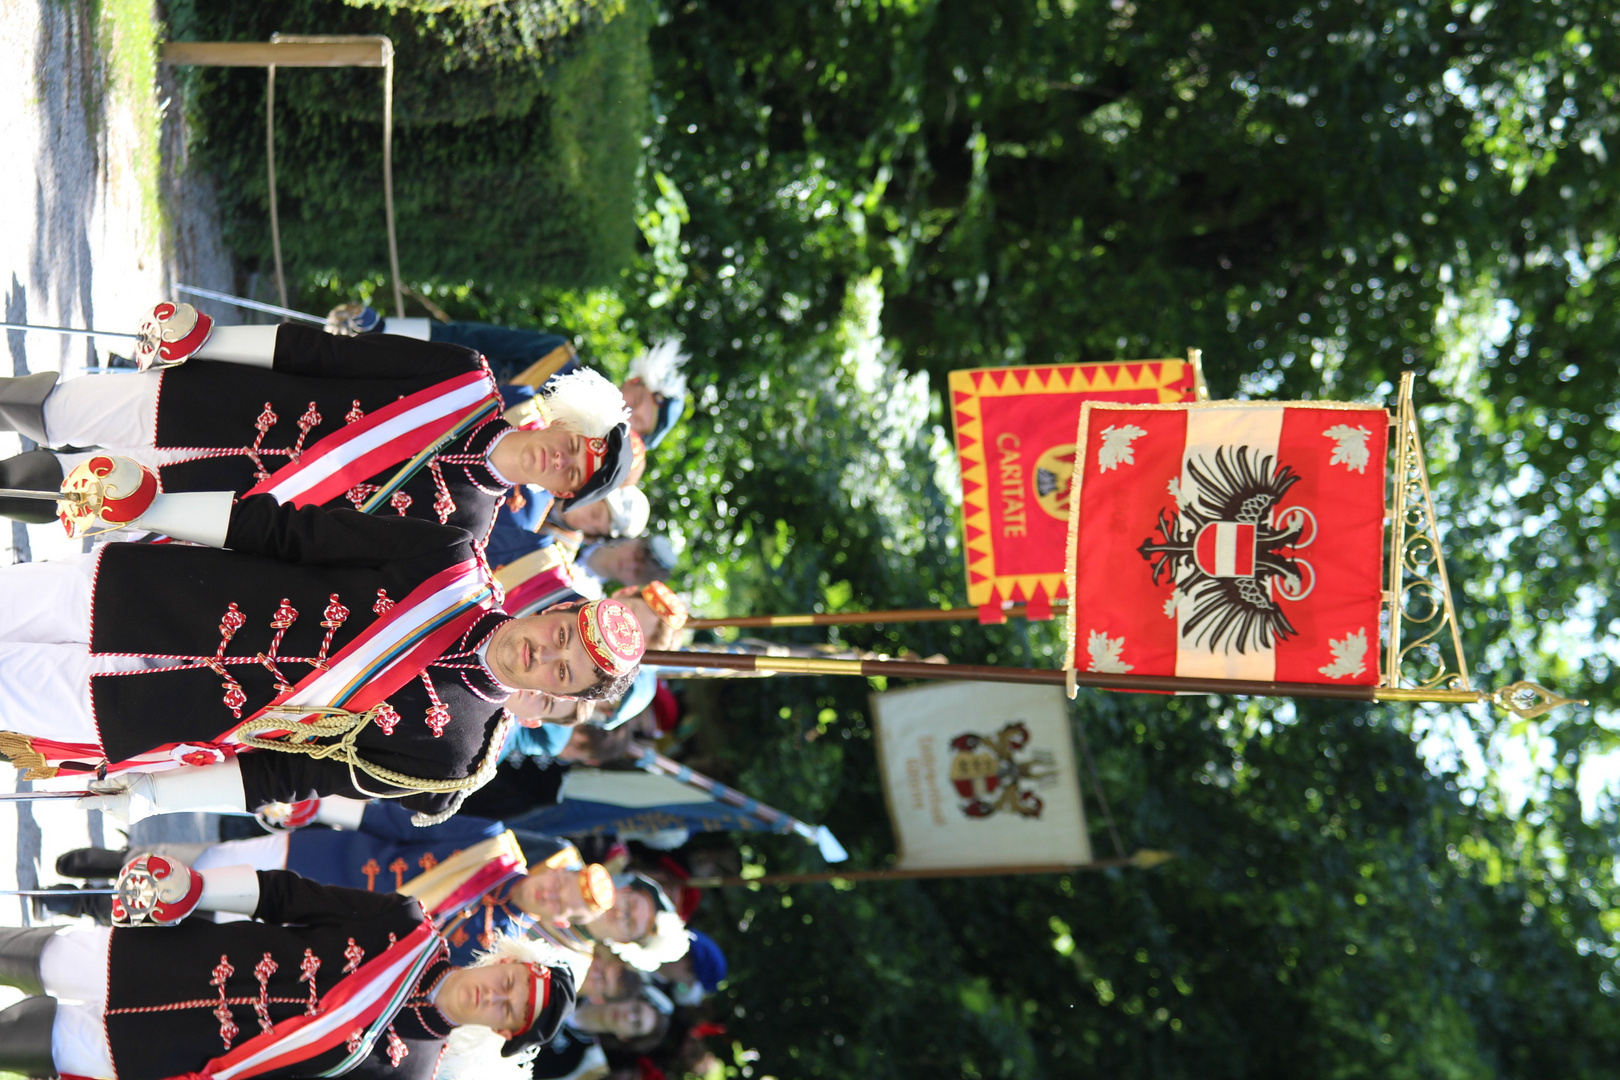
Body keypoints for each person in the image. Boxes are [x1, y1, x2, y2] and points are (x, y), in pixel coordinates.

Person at [0, 485, 645, 824]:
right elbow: (290, 532)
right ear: (556, 610)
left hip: (157, 715)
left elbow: (286, 777)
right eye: (560, 634)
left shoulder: (455, 759)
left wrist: (154, 797)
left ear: (557, 697)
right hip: (144, 592)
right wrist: (154, 506)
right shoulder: (449, 561)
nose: (541, 654)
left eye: (562, 672)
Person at [0, 309, 635, 535]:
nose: (563, 460)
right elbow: (325, 354)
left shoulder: (465, 531)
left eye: (574, 476)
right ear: (560, 419)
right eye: (574, 446)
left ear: (562, 496)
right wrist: (211, 339)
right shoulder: (463, 377)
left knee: (61, 488)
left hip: (223, 503)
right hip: (219, 405)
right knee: (48, 406)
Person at [0, 861, 576, 1080]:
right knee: (13, 953)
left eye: (509, 1012)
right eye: (509, 985)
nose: (495, 998)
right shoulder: (404, 924)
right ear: (504, 961)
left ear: (503, 1032)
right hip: (148, 961)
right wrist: (195, 887)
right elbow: (286, 895)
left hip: (161, 1058)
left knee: (10, 1045)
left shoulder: (413, 1073)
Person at [327, 309, 689, 450]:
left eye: (637, 423)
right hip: (409, 377)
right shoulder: (557, 357)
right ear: (636, 382)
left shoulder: (572, 454)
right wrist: (385, 330)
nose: (630, 411)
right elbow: (468, 336)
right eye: (640, 405)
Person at [573, 535, 678, 597]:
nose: (630, 565)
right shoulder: (585, 529)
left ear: (634, 584)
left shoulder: (587, 596)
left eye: (637, 572)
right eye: (636, 557)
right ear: (633, 541)